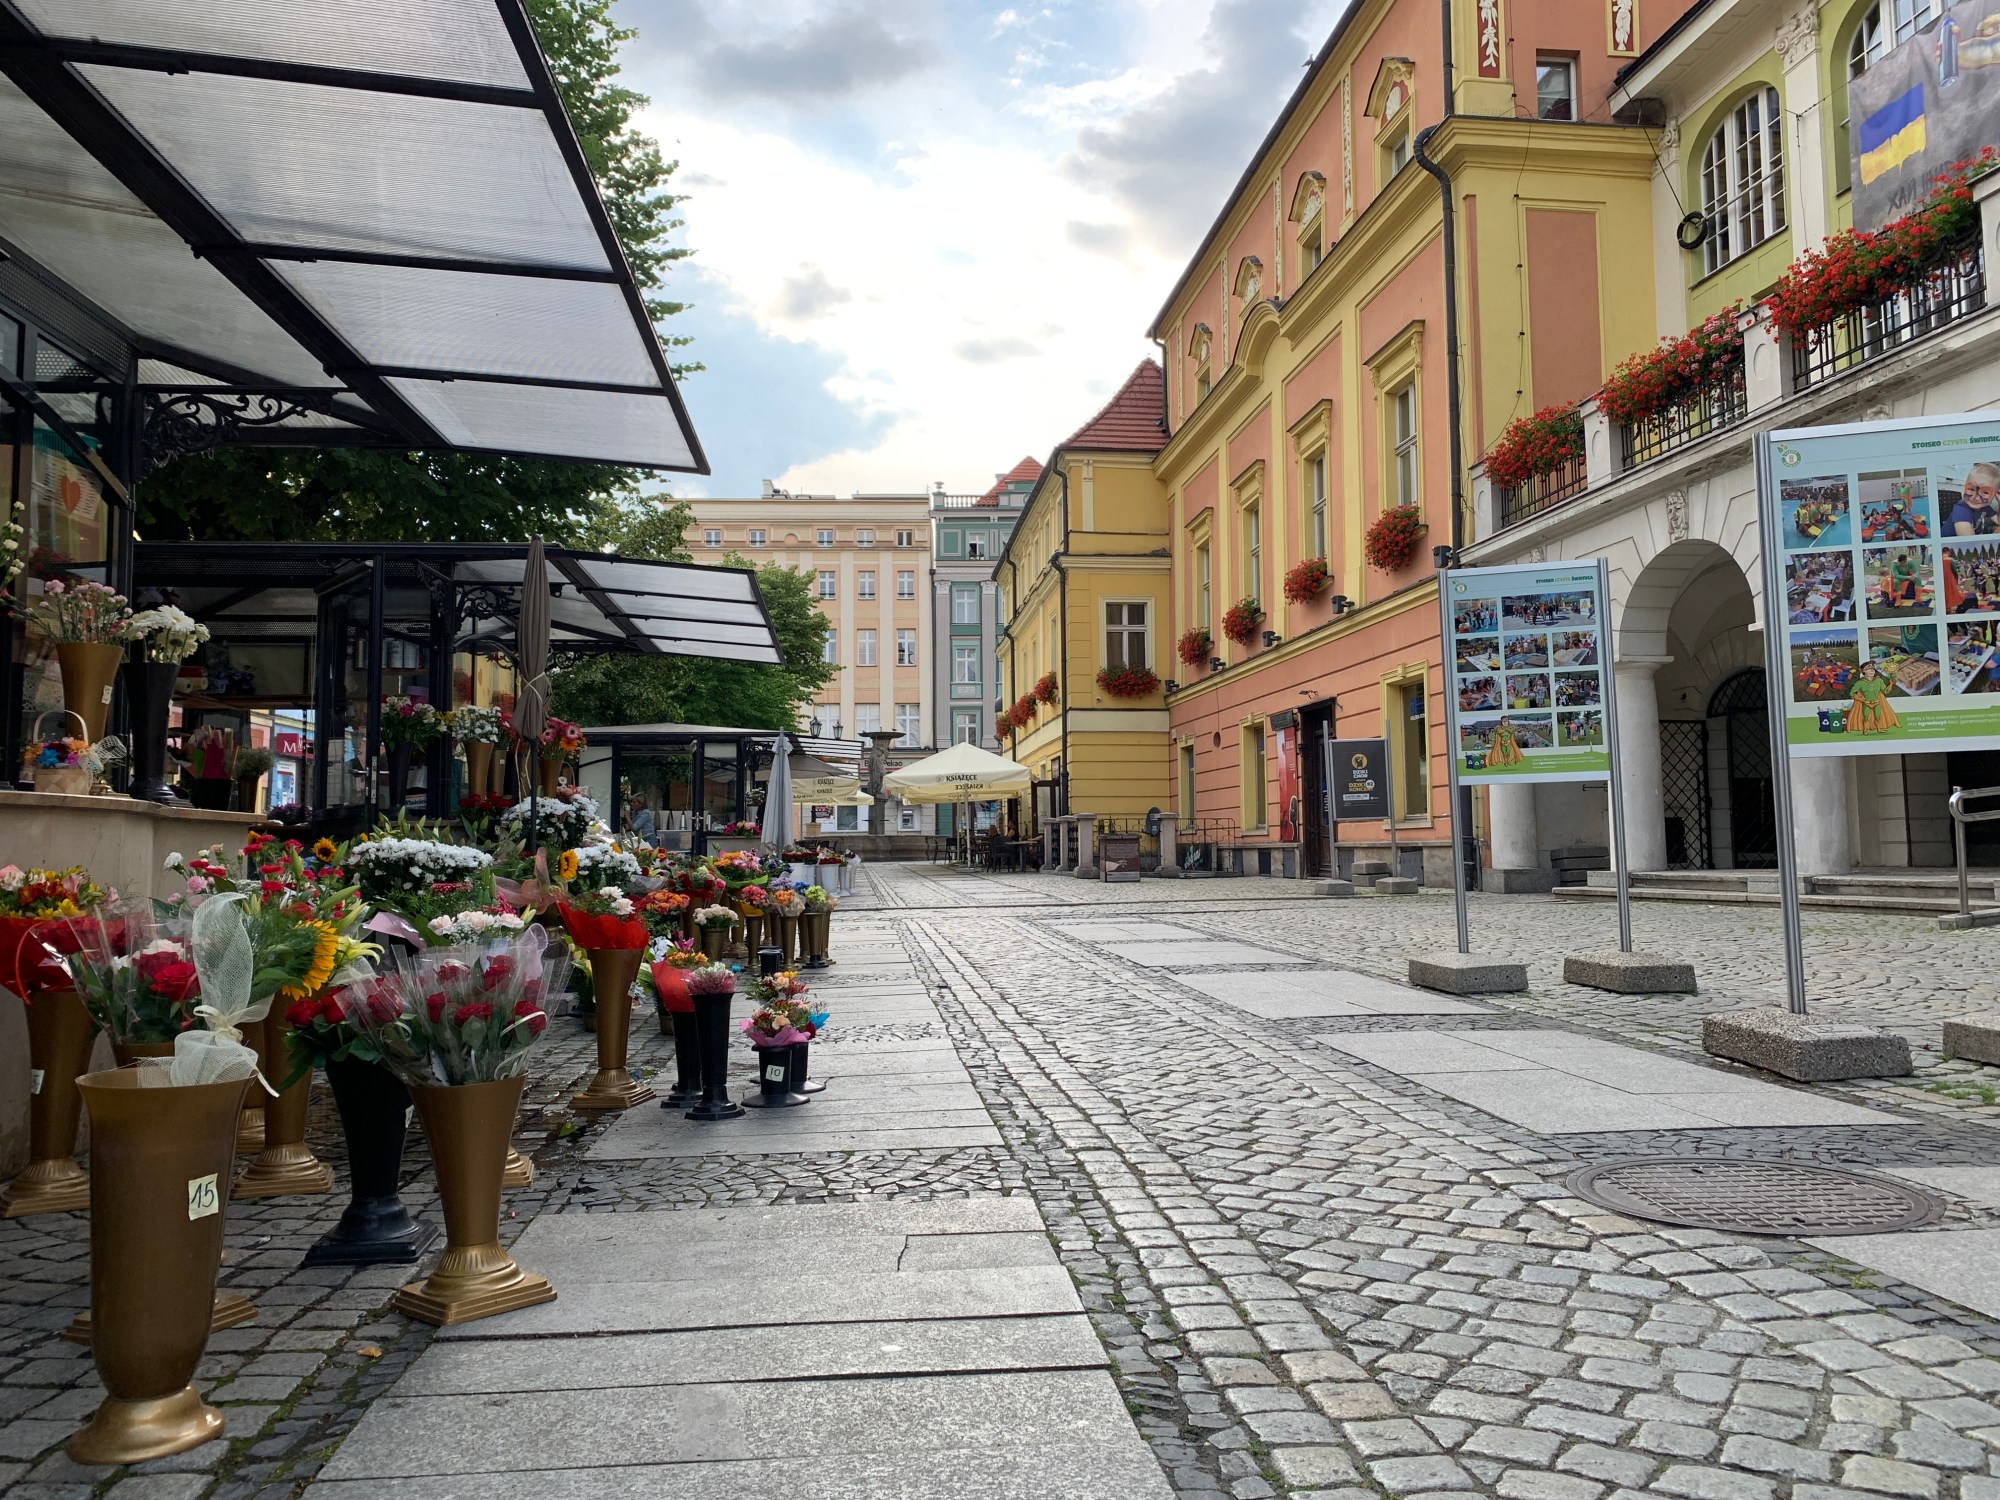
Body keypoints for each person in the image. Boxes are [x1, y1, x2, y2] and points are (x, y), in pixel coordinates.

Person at [1847, 660, 1900, 735]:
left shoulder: (1879, 680)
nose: (1871, 670)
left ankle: (1879, 729)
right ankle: (1865, 730)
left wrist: (1891, 684)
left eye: (1872, 668)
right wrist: (1860, 699)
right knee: (1865, 718)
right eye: (1868, 668)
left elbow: (1885, 692)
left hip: (1877, 703)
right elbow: (1851, 693)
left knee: (1878, 717)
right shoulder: (1859, 683)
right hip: (1867, 703)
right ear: (1863, 671)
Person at [1948, 464, 2000, 535]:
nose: (1975, 497)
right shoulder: (1961, 511)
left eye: (1985, 492)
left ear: (1994, 494)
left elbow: (1998, 520)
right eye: (1971, 489)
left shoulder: (1984, 506)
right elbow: (1969, 542)